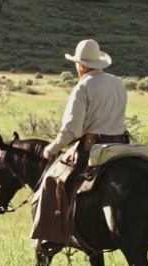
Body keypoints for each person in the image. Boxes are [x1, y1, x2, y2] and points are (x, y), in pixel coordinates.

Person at [42, 39, 130, 192]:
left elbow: (72, 130)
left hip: (92, 149)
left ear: (80, 66)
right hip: (122, 145)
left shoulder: (82, 87)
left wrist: (51, 149)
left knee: (54, 182)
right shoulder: (118, 83)